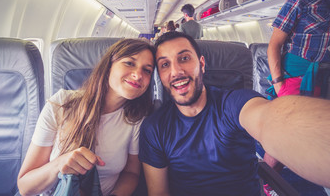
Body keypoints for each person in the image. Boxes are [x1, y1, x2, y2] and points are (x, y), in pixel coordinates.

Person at [139, 31, 330, 196]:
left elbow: (269, 119)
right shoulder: (154, 127)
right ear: (160, 76)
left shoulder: (233, 103)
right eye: (165, 65)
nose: (176, 71)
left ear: (202, 64)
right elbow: (159, 192)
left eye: (184, 58)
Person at [17, 39, 156, 196]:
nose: (138, 75)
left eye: (147, 70)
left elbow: (131, 173)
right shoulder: (62, 103)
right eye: (130, 63)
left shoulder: (136, 118)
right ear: (109, 65)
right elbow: (24, 186)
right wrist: (59, 164)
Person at [264, 0, 330, 192]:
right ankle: (265, 184)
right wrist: (278, 85)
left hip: (325, 77)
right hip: (296, 77)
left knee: (321, 134)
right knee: (282, 134)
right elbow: (274, 45)